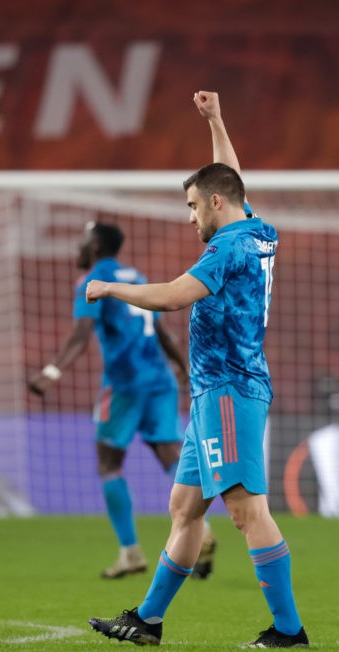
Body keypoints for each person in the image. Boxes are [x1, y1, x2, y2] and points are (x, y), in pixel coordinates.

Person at [86, 90, 308, 649]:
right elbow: (229, 177)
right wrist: (215, 119)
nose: (189, 218)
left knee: (244, 509)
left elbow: (171, 297)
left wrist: (110, 286)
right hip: (216, 390)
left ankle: (288, 631)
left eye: (191, 207)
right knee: (184, 508)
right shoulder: (257, 229)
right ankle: (148, 620)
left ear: (212, 204)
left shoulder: (226, 249)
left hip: (230, 389)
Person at [28, 220, 217, 580]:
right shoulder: (135, 274)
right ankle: (201, 530)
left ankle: (130, 553)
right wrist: (180, 367)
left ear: (96, 246)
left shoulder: (92, 282)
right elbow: (161, 327)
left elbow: (81, 333)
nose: (78, 249)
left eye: (83, 241)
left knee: (109, 463)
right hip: (159, 377)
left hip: (125, 382)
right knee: (168, 454)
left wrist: (51, 372)